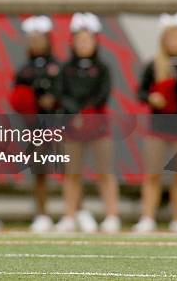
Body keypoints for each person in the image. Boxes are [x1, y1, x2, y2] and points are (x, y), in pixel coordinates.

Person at [55, 13, 120, 234]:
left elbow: (103, 93)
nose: (83, 44)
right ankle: (69, 216)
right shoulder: (66, 68)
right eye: (79, 39)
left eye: (88, 39)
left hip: (98, 126)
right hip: (72, 126)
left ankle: (112, 215)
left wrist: (88, 113)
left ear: (95, 40)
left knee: (105, 172)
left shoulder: (103, 68)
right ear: (72, 41)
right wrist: (75, 113)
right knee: (72, 174)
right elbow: (61, 94)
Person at [134, 12, 177, 234]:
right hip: (157, 128)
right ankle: (147, 216)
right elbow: (140, 92)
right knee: (152, 174)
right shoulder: (153, 66)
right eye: (170, 38)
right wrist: (152, 98)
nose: (173, 43)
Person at [9, 16, 61, 233]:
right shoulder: (24, 70)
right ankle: (42, 213)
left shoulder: (59, 67)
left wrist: (55, 100)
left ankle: (73, 212)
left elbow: (67, 92)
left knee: (71, 169)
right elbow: (18, 99)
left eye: (40, 39)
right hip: (35, 127)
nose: (36, 43)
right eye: (32, 39)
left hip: (59, 122)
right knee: (39, 170)